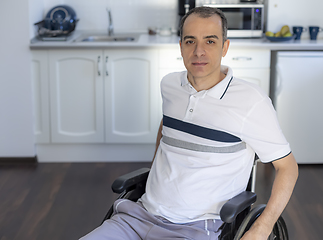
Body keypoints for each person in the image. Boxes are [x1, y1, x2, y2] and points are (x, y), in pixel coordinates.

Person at [80, 6, 298, 240]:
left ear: (225, 47)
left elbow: (287, 168)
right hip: (135, 218)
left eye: (210, 41)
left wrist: (262, 228)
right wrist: (155, 172)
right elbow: (166, 126)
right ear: (181, 46)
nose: (199, 51)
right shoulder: (170, 85)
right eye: (190, 41)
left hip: (196, 230)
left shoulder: (251, 101)